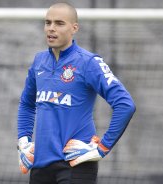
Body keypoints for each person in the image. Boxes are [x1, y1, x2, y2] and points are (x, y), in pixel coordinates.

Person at [17, 2, 136, 184]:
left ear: (75, 28)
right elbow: (26, 104)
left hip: (74, 165)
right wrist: (23, 141)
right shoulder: (39, 61)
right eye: (48, 23)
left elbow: (125, 105)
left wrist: (102, 147)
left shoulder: (89, 63)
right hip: (40, 165)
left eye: (59, 23)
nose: (51, 29)